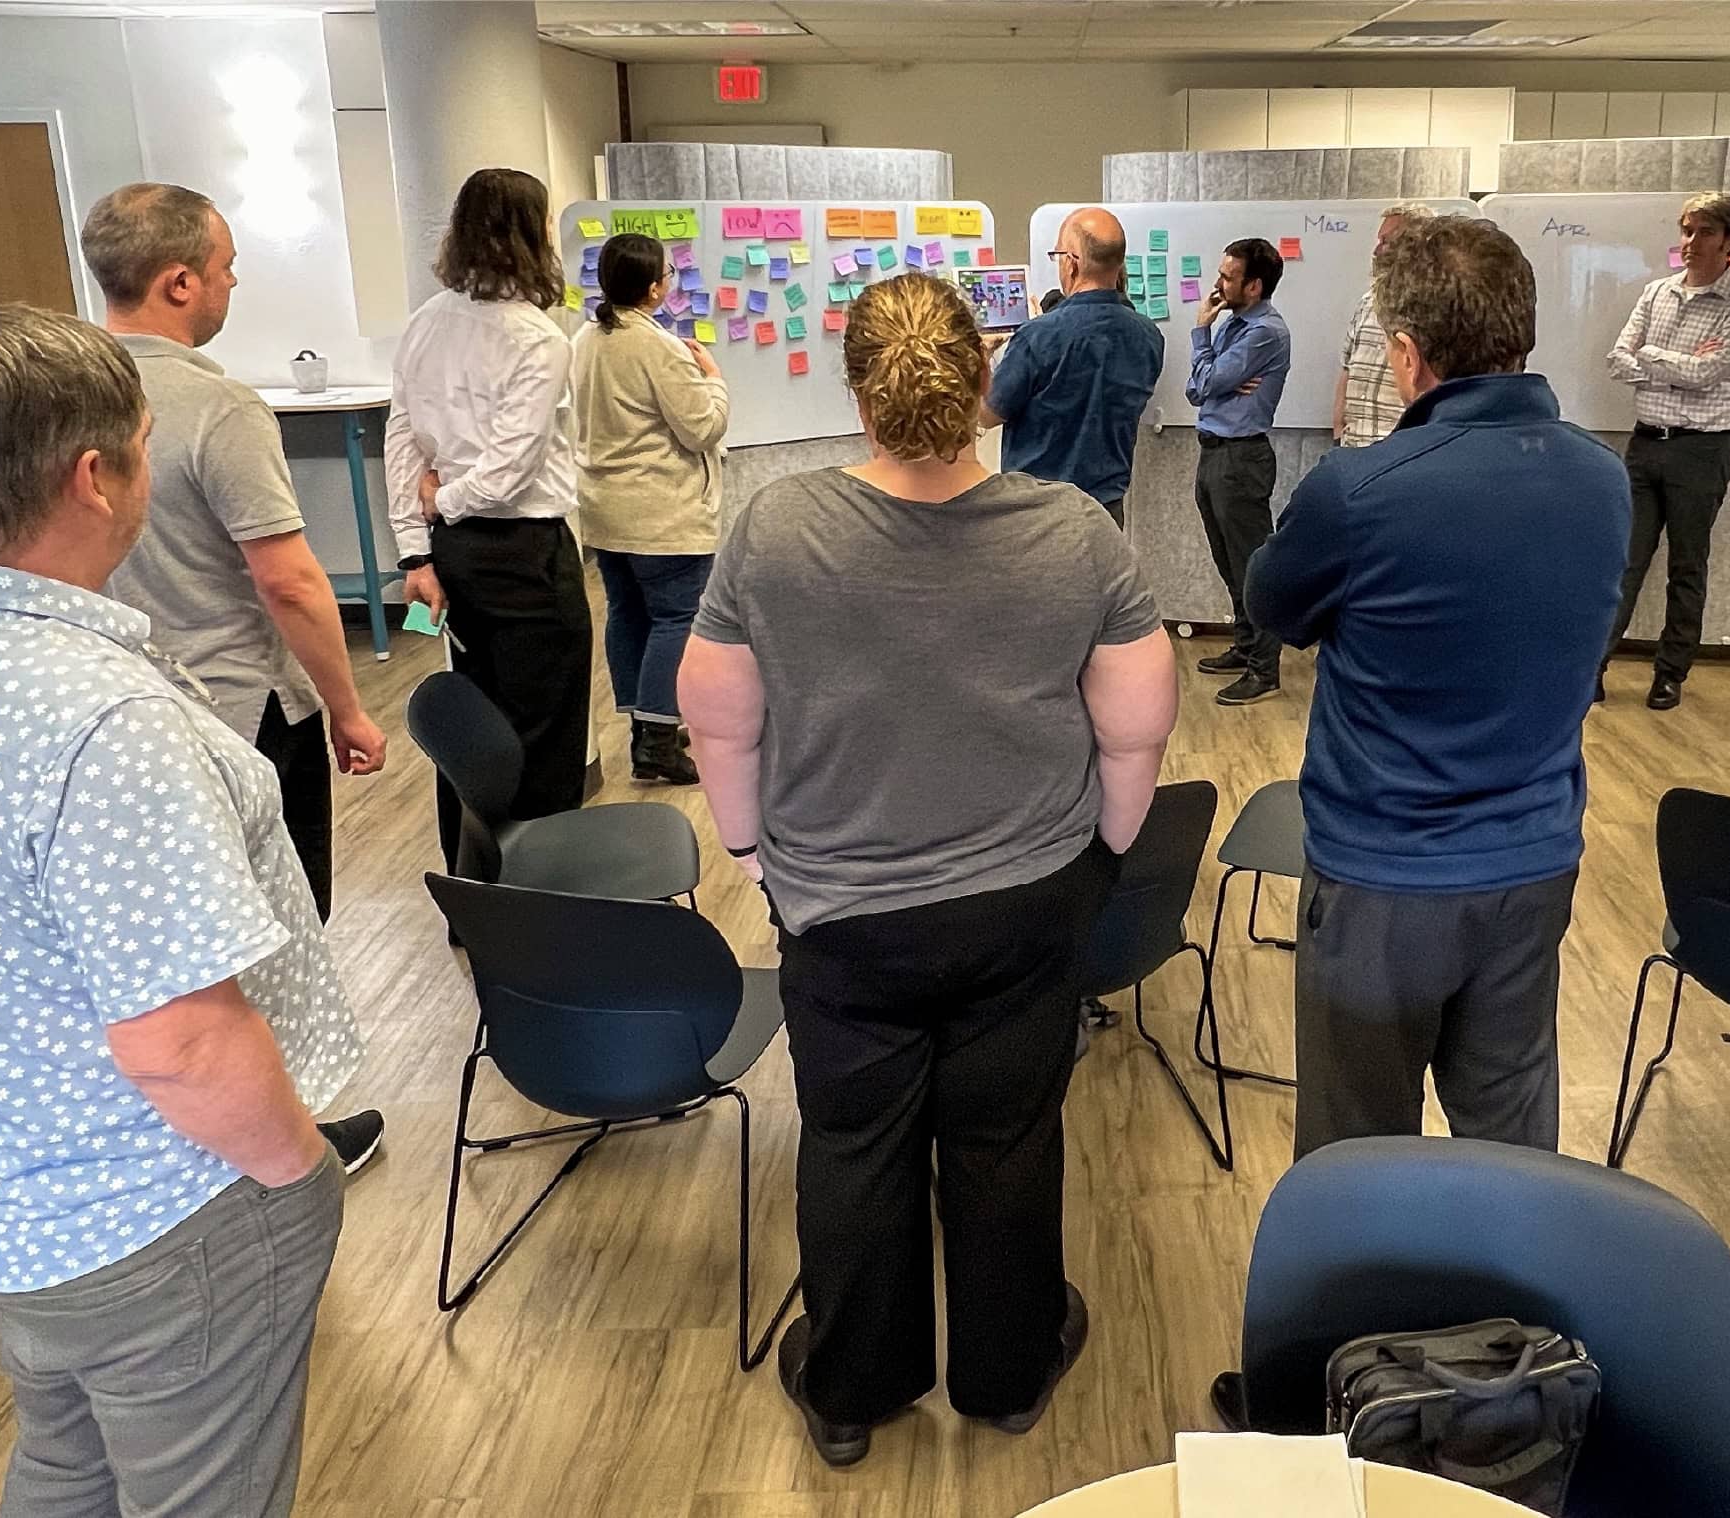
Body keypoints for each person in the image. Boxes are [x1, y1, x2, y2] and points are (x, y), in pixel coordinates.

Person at [678, 272, 1177, 1469]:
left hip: (842, 913)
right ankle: (1006, 1376)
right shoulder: (1074, 531)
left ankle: (854, 1389)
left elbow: (717, 715)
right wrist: (1102, 858)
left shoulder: (775, 525)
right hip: (1023, 905)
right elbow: (1136, 725)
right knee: (1007, 1140)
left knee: (853, 1142)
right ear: (983, 393)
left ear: (858, 393)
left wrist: (750, 854)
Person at [0, 304, 361, 1516]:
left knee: (66, 1461)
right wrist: (293, 1174)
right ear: (93, 476)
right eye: (146, 449)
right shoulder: (96, 719)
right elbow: (182, 1041)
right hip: (155, 1213)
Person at [1250, 214, 1629, 1162]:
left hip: (1385, 877)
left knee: (1354, 1149)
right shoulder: (1602, 477)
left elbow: (1274, 606)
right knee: (1509, 1139)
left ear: (1407, 355)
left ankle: (1365, 1313)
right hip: (1534, 863)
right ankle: (1507, 1311)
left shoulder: (1357, 490)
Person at [80, 182, 384, 1175]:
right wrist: (344, 706)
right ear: (178, 282)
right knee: (273, 937)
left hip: (105, 708)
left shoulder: (58, 390)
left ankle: (190, 1138)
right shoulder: (215, 406)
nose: (231, 284)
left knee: (161, 957)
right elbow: (290, 580)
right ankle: (279, 1146)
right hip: (239, 717)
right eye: (223, 270)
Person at [388, 168, 592, 870]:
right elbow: (510, 469)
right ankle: (540, 894)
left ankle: (474, 887)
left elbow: (402, 437)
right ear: (534, 235)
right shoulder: (536, 339)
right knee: (545, 731)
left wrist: (417, 551)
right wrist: (437, 503)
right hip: (523, 552)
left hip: (455, 555)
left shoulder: (426, 320)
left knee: (474, 729)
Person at [570, 231, 729, 786]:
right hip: (660, 513)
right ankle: (657, 741)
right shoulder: (658, 347)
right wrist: (714, 381)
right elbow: (701, 426)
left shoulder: (584, 338)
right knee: (675, 618)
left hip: (604, 511)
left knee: (627, 612)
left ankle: (645, 721)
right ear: (655, 287)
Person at [1601, 191, 1730, 710]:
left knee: (1687, 566)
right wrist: (1670, 363)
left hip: (1703, 450)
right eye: (1687, 231)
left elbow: (1706, 373)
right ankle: (1595, 666)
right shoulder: (1656, 294)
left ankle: (1670, 674)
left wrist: (1653, 361)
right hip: (1645, 444)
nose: (1692, 243)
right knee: (1625, 562)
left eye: (1706, 233)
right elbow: (1617, 359)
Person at [980, 207, 1163, 528]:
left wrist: (982, 357)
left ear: (1072, 262)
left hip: (1036, 512)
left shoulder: (1038, 336)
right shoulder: (1149, 337)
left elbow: (987, 414)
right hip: (1105, 512)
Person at [1187, 236, 1292, 706]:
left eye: (1228, 277)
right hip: (1214, 452)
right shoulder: (1235, 325)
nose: (1217, 283)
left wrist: (1200, 333)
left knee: (1253, 567)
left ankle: (1264, 669)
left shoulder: (1264, 331)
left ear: (1253, 286)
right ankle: (1246, 647)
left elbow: (1206, 382)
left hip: (1241, 458)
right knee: (1228, 562)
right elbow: (1198, 391)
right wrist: (1213, 377)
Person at [1332, 202, 1436, 448]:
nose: (1376, 251)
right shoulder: (1369, 301)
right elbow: (1347, 368)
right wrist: (1338, 432)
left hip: (1400, 448)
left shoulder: (1435, 307)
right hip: (1353, 445)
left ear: (1414, 246)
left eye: (1386, 241)